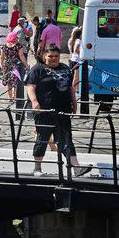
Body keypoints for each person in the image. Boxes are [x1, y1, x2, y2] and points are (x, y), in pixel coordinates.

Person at [26, 45, 92, 178]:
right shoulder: (38, 69)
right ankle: (37, 168)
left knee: (66, 139)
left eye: (56, 56)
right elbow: (30, 86)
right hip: (45, 111)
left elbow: (70, 88)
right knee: (42, 138)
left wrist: (74, 103)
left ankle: (76, 168)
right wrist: (34, 101)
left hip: (63, 110)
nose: (53, 59)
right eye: (50, 56)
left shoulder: (65, 68)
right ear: (45, 56)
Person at [0, 31, 28, 102]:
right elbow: (21, 56)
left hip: (7, 65)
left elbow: (2, 57)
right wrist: (26, 65)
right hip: (15, 65)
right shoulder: (18, 45)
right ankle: (14, 96)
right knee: (15, 82)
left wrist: (2, 65)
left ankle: (10, 98)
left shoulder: (5, 45)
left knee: (9, 82)